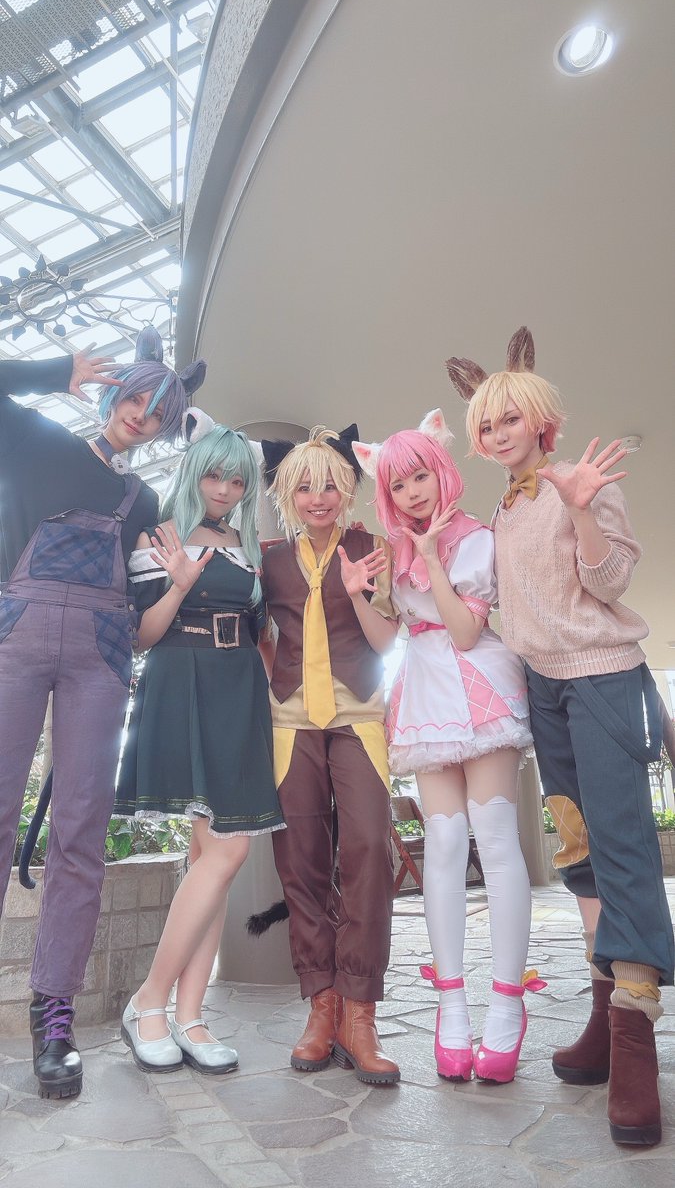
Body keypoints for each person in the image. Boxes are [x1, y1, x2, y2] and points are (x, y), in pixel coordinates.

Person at [451, 325, 674, 1145]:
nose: (497, 432)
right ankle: (602, 1015)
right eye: (485, 424)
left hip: (602, 680)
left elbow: (609, 581)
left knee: (620, 848)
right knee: (577, 849)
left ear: (542, 419)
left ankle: (634, 1042)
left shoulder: (577, 484)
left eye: (510, 418)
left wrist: (580, 509)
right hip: (542, 687)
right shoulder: (505, 507)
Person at [0, 327, 204, 1100]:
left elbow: (143, 622)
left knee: (81, 834)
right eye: (136, 399)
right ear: (115, 393)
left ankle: (53, 1015)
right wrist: (56, 370)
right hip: (15, 644)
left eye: (159, 413)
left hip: (101, 661)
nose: (141, 417)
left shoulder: (141, 500)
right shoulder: (33, 442)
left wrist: (177, 586)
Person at [353, 409, 538, 1085]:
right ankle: (451, 1009)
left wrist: (430, 556)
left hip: (479, 683)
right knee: (446, 840)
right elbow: (390, 638)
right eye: (397, 485)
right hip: (426, 694)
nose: (411, 493)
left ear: (442, 471)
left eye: (419, 477)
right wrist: (358, 595)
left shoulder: (475, 539)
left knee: (495, 836)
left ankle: (507, 1004)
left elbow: (463, 631)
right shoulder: (393, 550)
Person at [115, 410, 284, 1075]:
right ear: (194, 472)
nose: (224, 490)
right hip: (182, 680)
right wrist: (180, 584)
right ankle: (149, 1002)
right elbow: (141, 635)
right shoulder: (161, 534)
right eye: (215, 476)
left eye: (236, 481)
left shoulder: (245, 543)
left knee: (211, 856)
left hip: (238, 688)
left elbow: (262, 630)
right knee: (227, 849)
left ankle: (189, 1014)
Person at [259, 425, 400, 1085]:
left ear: (347, 489)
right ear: (287, 494)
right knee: (300, 860)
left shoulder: (371, 549)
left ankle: (359, 1013)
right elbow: (262, 635)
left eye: (329, 485)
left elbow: (387, 639)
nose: (317, 498)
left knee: (369, 847)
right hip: (291, 722)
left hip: (357, 716)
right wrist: (273, 680)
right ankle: (321, 1006)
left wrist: (355, 591)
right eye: (304, 487)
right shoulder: (269, 562)